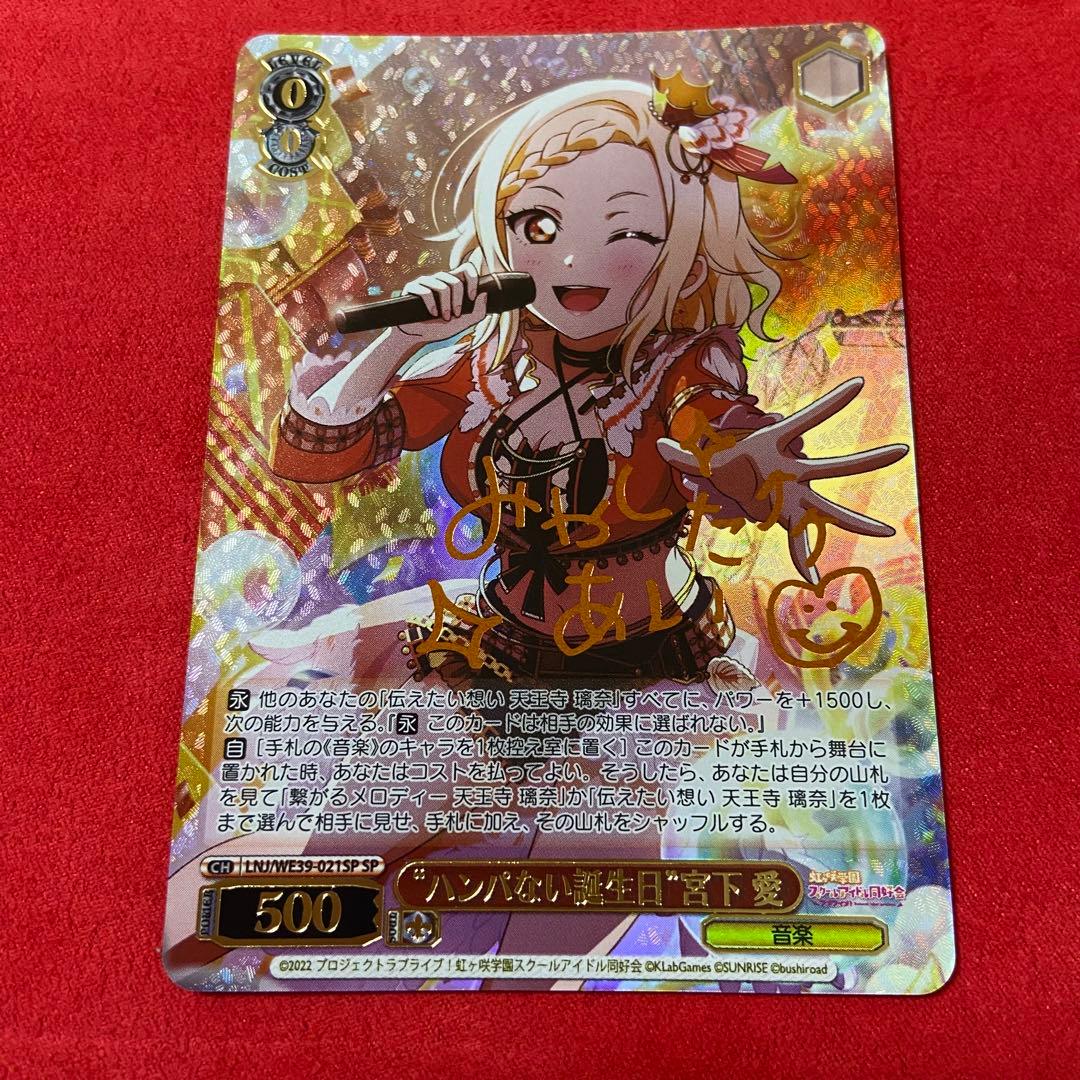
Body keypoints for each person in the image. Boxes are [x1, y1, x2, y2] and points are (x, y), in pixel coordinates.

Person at [266, 75, 906, 690]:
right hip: (503, 647)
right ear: (500, 236)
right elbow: (311, 456)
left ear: (683, 251)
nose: (574, 260)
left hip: (660, 661)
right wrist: (403, 337)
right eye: (540, 226)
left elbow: (709, 422)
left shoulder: (677, 365)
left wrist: (746, 465)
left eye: (625, 230)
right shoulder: (484, 368)